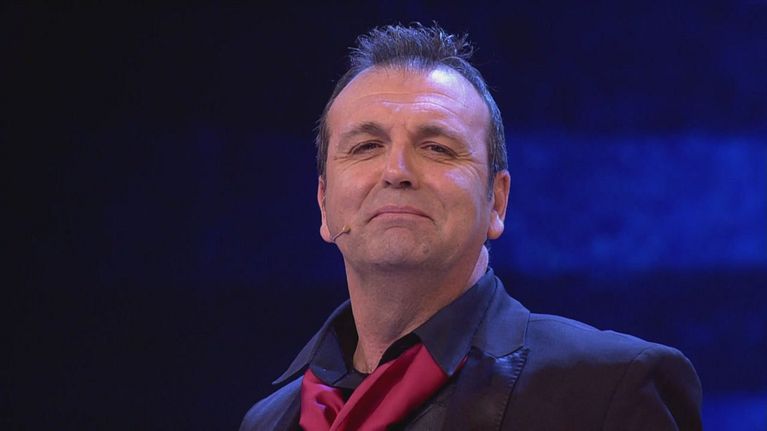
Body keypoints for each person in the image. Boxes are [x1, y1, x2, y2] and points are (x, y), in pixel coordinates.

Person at [240, 23, 702, 430]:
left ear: (496, 201)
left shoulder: (609, 389)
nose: (396, 171)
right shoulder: (271, 421)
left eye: (437, 148)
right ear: (323, 204)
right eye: (365, 147)